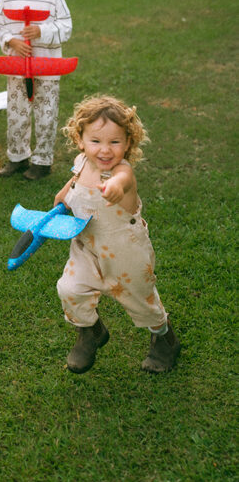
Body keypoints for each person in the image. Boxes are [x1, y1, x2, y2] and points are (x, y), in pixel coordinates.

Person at [53, 94, 181, 375]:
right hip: (86, 245)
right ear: (80, 140)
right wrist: (63, 197)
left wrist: (114, 189)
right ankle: (90, 332)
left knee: (140, 299)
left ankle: (164, 337)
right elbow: (75, 181)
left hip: (125, 249)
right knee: (69, 288)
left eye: (115, 142)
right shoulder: (81, 162)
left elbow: (122, 182)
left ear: (128, 143)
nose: (105, 150)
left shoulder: (122, 172)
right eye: (95, 141)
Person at [0, 0, 72, 180]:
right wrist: (11, 41)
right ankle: (17, 157)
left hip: (46, 65)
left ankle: (42, 160)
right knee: (17, 112)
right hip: (17, 66)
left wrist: (41, 32)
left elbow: (66, 26)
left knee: (46, 113)